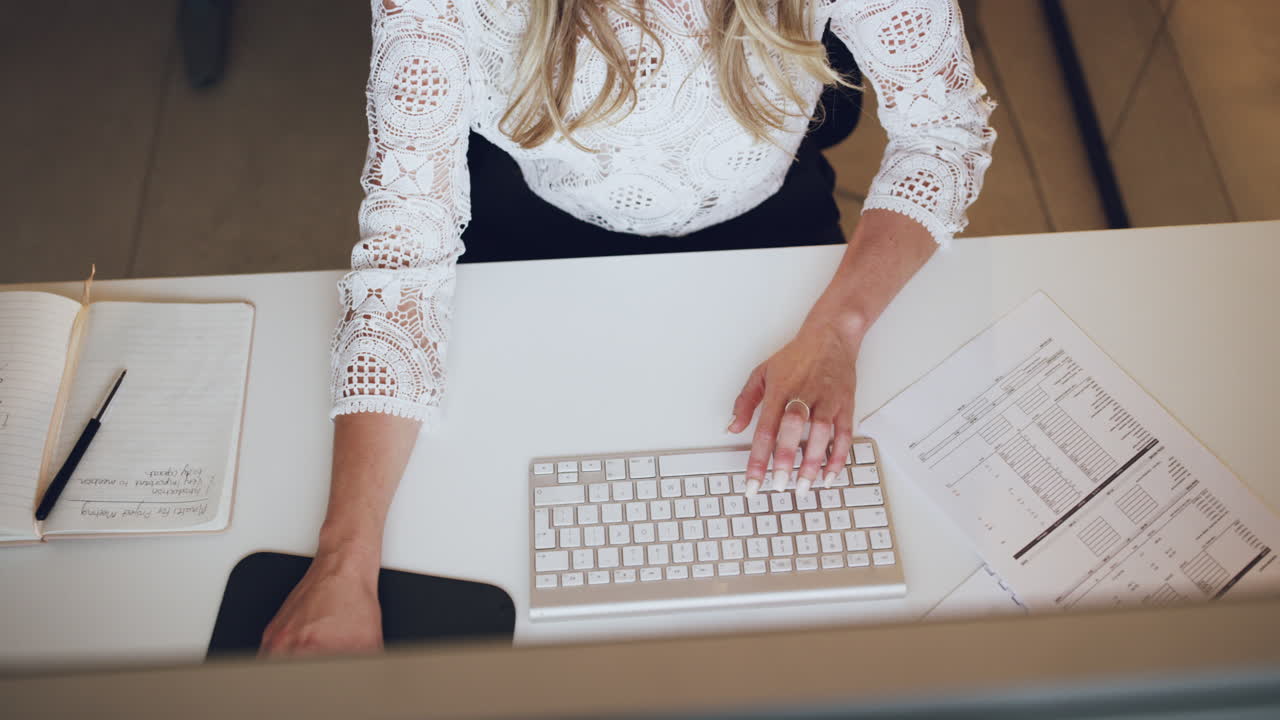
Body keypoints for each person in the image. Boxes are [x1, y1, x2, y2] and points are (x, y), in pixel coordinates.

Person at [261, 0, 996, 656]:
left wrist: (839, 330)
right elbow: (405, 245)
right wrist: (342, 563)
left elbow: (944, 130)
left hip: (769, 229)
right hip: (530, 224)